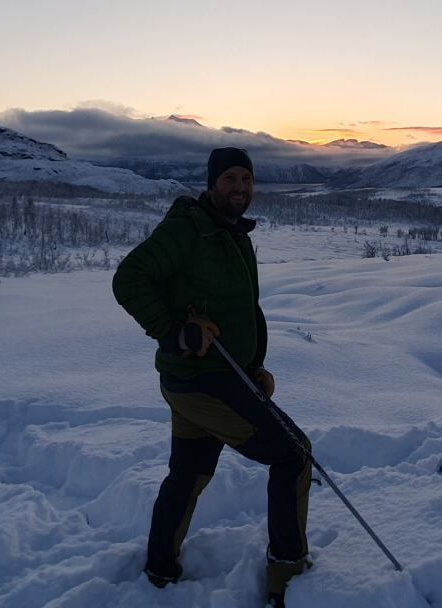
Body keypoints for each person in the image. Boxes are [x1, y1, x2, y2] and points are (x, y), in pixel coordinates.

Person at [112, 147, 311, 607]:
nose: (240, 188)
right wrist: (175, 334)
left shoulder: (229, 232)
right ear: (211, 184)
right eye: (230, 180)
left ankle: (159, 570)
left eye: (247, 179)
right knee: (293, 456)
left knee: (189, 473)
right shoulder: (188, 229)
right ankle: (288, 574)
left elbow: (230, 308)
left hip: (213, 378)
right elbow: (129, 278)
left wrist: (252, 367)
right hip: (202, 382)